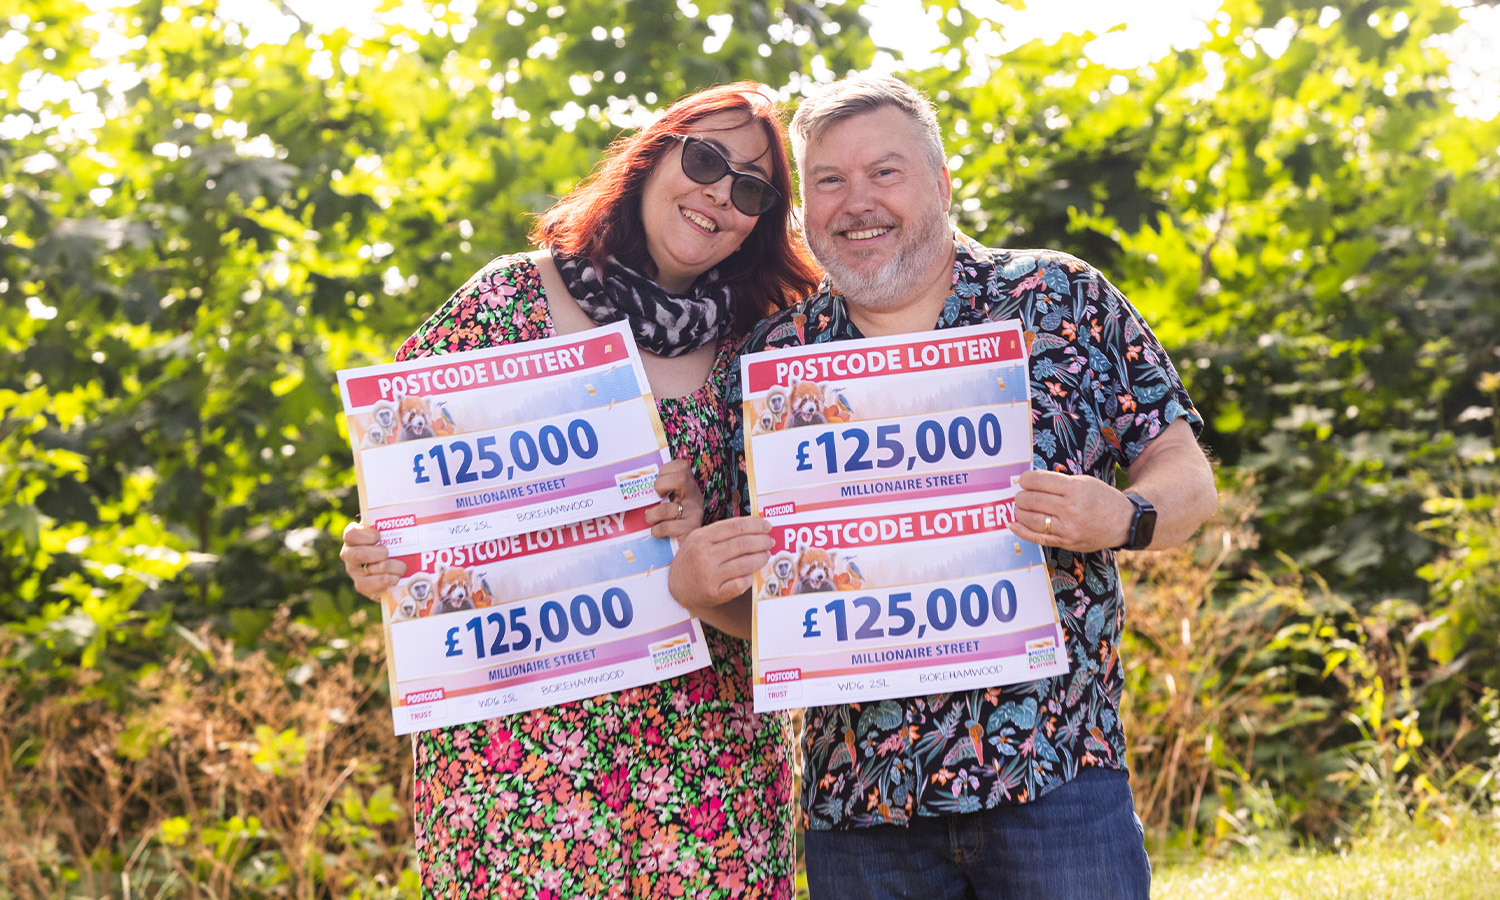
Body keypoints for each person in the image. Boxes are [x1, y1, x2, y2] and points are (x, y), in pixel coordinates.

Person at [670, 75, 1219, 900]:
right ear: (804, 210)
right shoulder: (766, 361)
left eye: (884, 172)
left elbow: (1186, 475)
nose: (858, 201)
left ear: (941, 183)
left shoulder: (1060, 297)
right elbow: (763, 600)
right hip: (860, 804)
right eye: (829, 180)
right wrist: (697, 589)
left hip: (1055, 773)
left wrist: (1124, 516)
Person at [339, 82, 821, 899]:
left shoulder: (766, 353)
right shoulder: (507, 299)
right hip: (513, 757)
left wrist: (704, 524)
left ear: (759, 223)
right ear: (650, 157)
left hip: (708, 760)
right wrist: (372, 552)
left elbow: (794, 555)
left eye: (749, 188)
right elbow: (402, 480)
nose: (717, 192)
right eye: (704, 158)